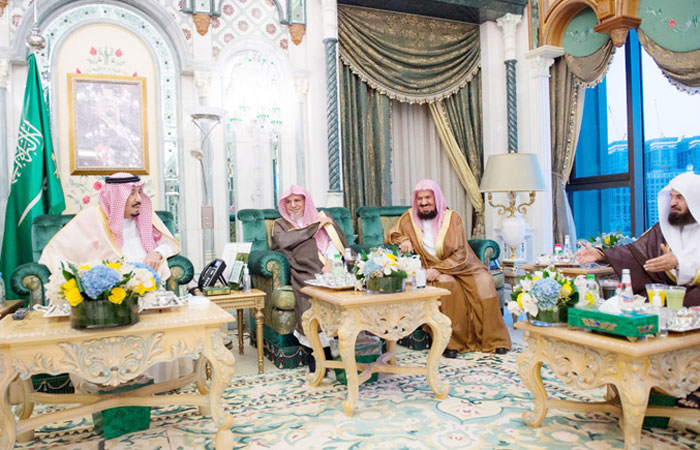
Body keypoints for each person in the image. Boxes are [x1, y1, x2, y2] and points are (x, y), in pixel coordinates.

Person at [39, 172, 190, 385]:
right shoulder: (92, 218)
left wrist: (157, 253)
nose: (139, 199)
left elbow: (168, 243)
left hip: (145, 291)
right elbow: (56, 251)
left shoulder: (145, 215)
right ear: (116, 197)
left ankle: (157, 384)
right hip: (108, 299)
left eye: (139, 192)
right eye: (131, 194)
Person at [388, 179, 511, 357]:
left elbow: (461, 251)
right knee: (447, 284)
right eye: (420, 199)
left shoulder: (452, 218)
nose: (423, 203)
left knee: (485, 281)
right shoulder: (408, 218)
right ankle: (452, 343)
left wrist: (440, 268)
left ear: (436, 198)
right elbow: (393, 233)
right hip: (430, 267)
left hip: (462, 264)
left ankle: (495, 340)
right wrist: (403, 240)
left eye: (428, 198)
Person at [574, 171, 699, 307]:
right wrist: (601, 254)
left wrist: (678, 263)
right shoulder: (664, 229)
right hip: (667, 295)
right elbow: (634, 253)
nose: (672, 203)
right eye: (671, 197)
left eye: (680, 197)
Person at [271, 185, 349, 351]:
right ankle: (318, 353)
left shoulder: (322, 217)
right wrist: (315, 227)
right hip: (303, 269)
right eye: (288, 201)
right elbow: (283, 242)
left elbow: (336, 241)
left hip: (332, 266)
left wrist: (330, 261)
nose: (293, 205)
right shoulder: (280, 224)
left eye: (297, 200)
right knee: (309, 298)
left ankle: (346, 347)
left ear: (306, 201)